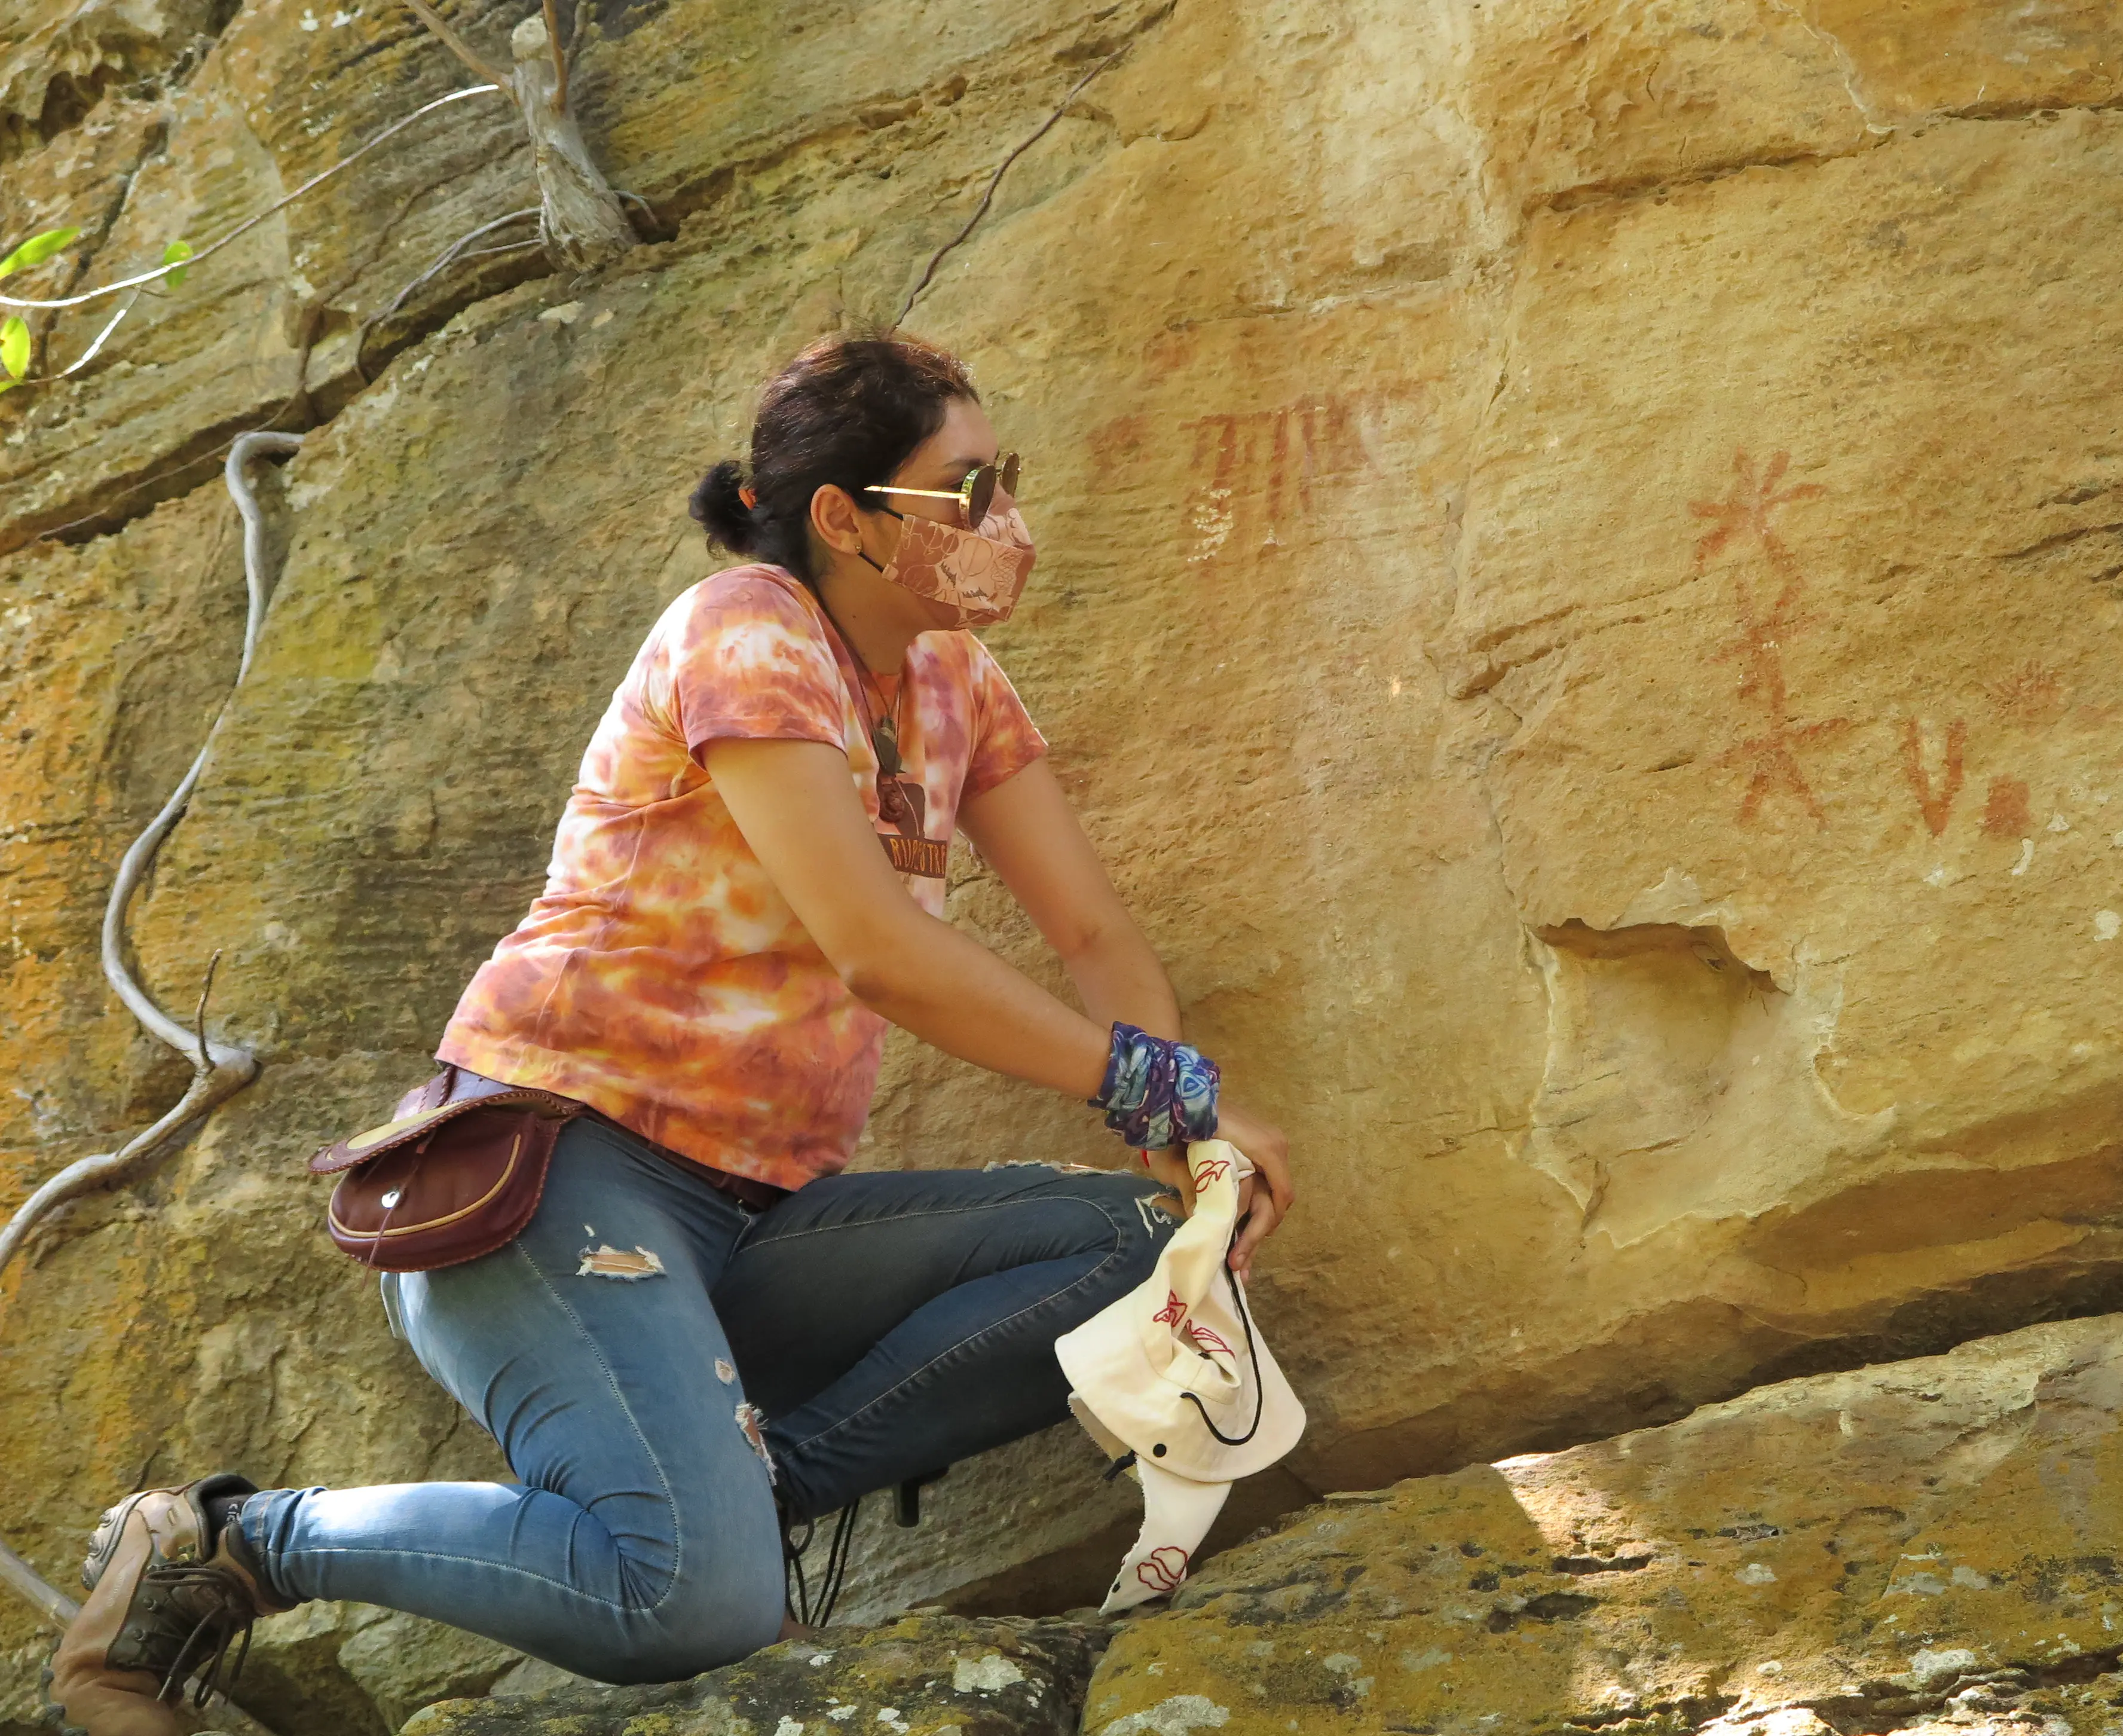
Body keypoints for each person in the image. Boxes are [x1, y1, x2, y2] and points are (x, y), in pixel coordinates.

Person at [42, 331, 1296, 1736]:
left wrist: (1181, 1146)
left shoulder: (955, 682)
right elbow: (882, 954)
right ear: (848, 520)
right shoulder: (745, 632)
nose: (1005, 519)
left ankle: (733, 1509)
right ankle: (231, 1541)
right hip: (556, 1175)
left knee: (1148, 1255)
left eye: (1004, 480)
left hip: (754, 1222)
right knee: (688, 1609)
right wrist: (1169, 1093)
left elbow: (1093, 935)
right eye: (966, 489)